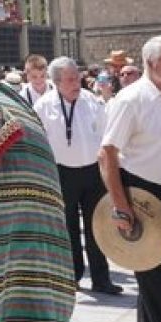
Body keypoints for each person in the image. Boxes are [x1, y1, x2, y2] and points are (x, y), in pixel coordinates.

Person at [98, 35, 161, 322]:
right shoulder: (131, 100)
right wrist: (121, 207)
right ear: (151, 63)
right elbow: (107, 155)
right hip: (146, 201)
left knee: (155, 287)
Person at [35, 57, 120, 294]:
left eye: (78, 77)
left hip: (92, 171)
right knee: (68, 226)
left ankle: (102, 279)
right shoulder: (43, 106)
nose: (76, 83)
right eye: (70, 79)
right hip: (61, 172)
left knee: (97, 226)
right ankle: (72, 276)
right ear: (57, 82)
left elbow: (105, 135)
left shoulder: (91, 100)